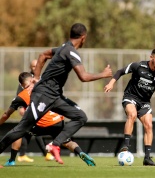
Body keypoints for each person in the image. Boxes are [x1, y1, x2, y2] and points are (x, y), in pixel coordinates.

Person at [0, 23, 112, 165]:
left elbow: (43, 55)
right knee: (22, 129)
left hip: (55, 96)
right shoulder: (70, 52)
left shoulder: (62, 48)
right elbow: (83, 77)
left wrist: (36, 77)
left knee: (80, 117)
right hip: (43, 95)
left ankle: (55, 144)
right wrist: (103, 74)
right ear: (83, 38)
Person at [0, 72, 95, 166]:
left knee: (19, 132)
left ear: (21, 85)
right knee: (67, 141)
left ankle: (12, 160)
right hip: (58, 121)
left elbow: (6, 115)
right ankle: (81, 152)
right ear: (33, 78)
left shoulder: (21, 96)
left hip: (41, 125)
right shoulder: (45, 87)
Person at [104, 48, 155, 166]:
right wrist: (111, 83)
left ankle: (147, 158)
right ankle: (125, 146)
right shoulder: (138, 66)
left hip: (144, 102)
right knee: (132, 114)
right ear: (151, 57)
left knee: (149, 125)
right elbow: (120, 71)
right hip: (130, 97)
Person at [15, 59, 54, 163]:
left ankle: (22, 154)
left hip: (42, 108)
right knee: (35, 129)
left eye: (37, 65)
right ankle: (46, 153)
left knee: (28, 131)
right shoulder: (27, 79)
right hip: (30, 108)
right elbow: (20, 94)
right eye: (33, 66)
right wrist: (21, 108)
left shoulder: (44, 76)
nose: (35, 68)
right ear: (30, 68)